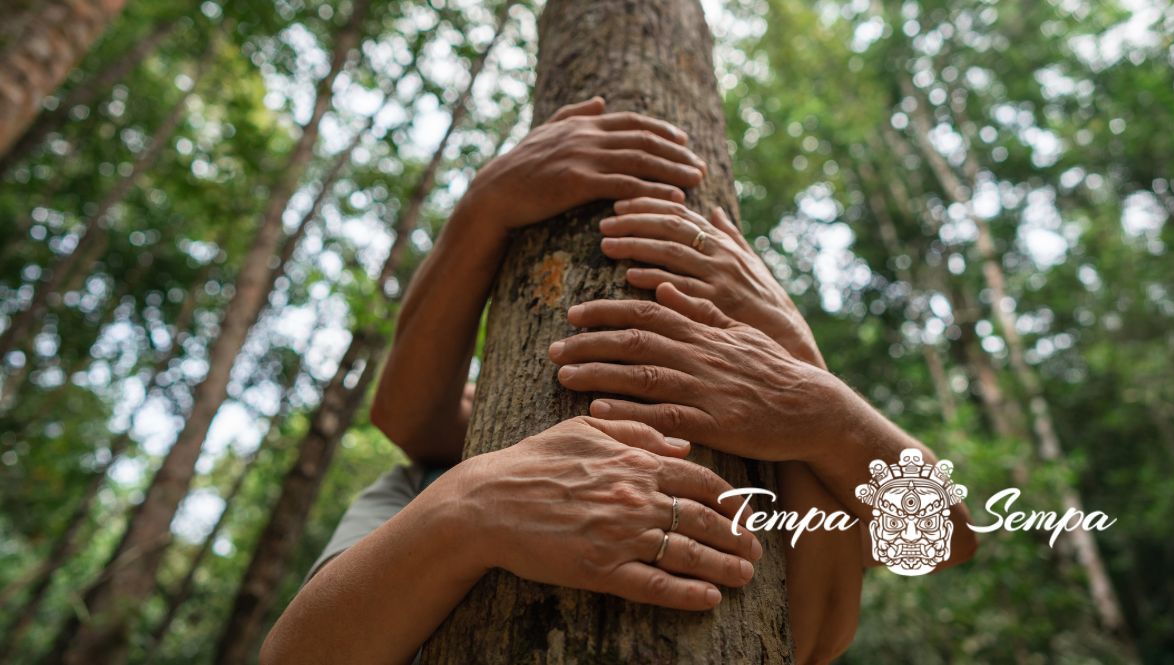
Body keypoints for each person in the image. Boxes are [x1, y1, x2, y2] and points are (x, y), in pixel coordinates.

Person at [261, 98, 975, 665]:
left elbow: (937, 541)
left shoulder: (785, 462)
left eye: (707, 331)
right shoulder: (423, 481)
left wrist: (811, 386)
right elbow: (409, 421)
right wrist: (469, 505)